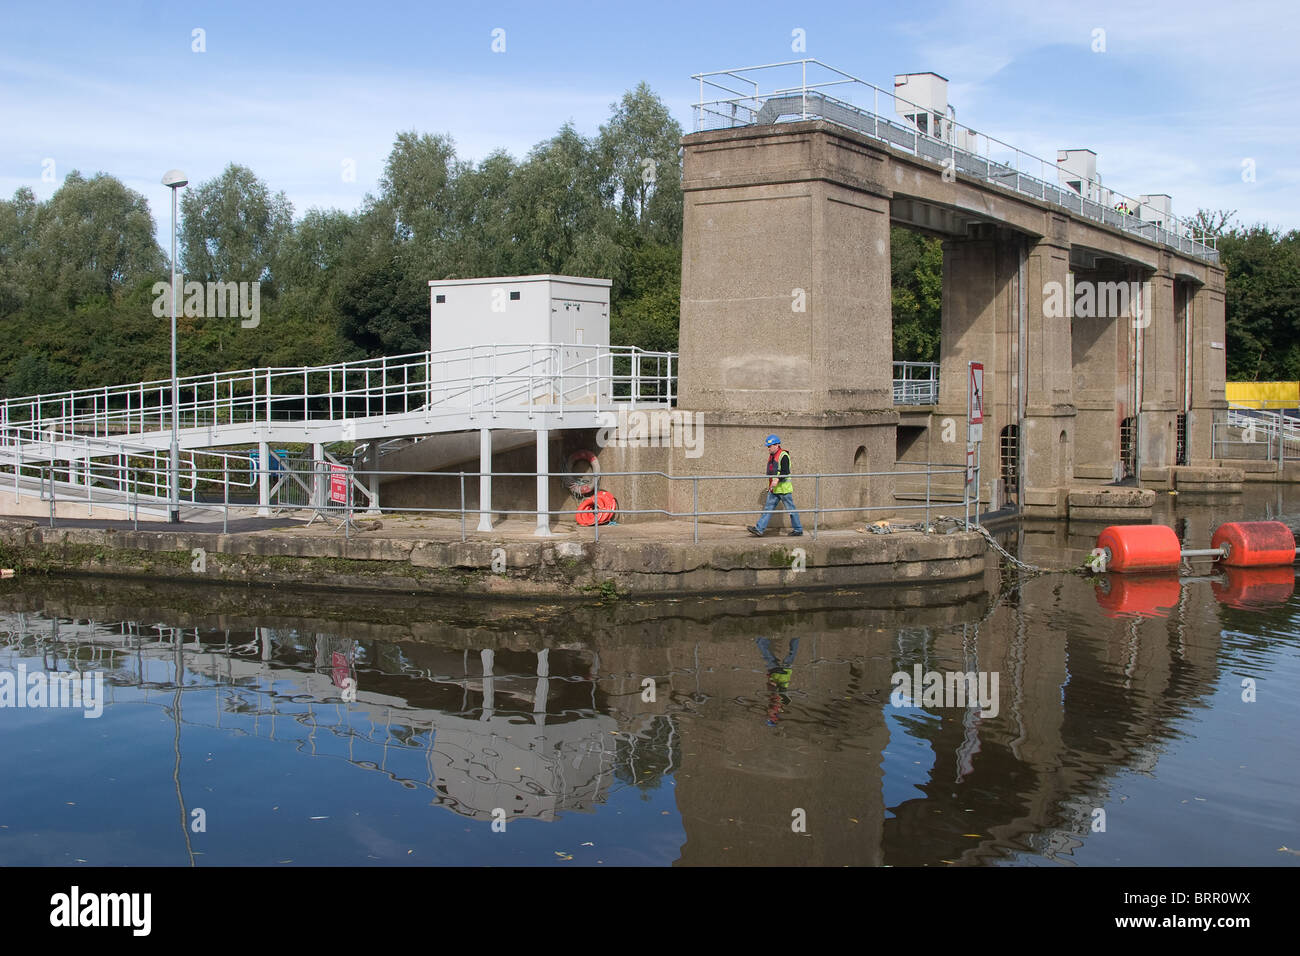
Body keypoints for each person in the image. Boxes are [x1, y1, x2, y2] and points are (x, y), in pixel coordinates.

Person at [748, 434, 803, 537]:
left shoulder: (783, 456)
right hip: (775, 489)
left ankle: (798, 529)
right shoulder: (773, 456)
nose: (768, 449)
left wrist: (777, 479)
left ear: (776, 445)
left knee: (791, 510)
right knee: (768, 509)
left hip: (784, 489)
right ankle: (759, 529)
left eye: (770, 446)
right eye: (768, 447)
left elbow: (785, 471)